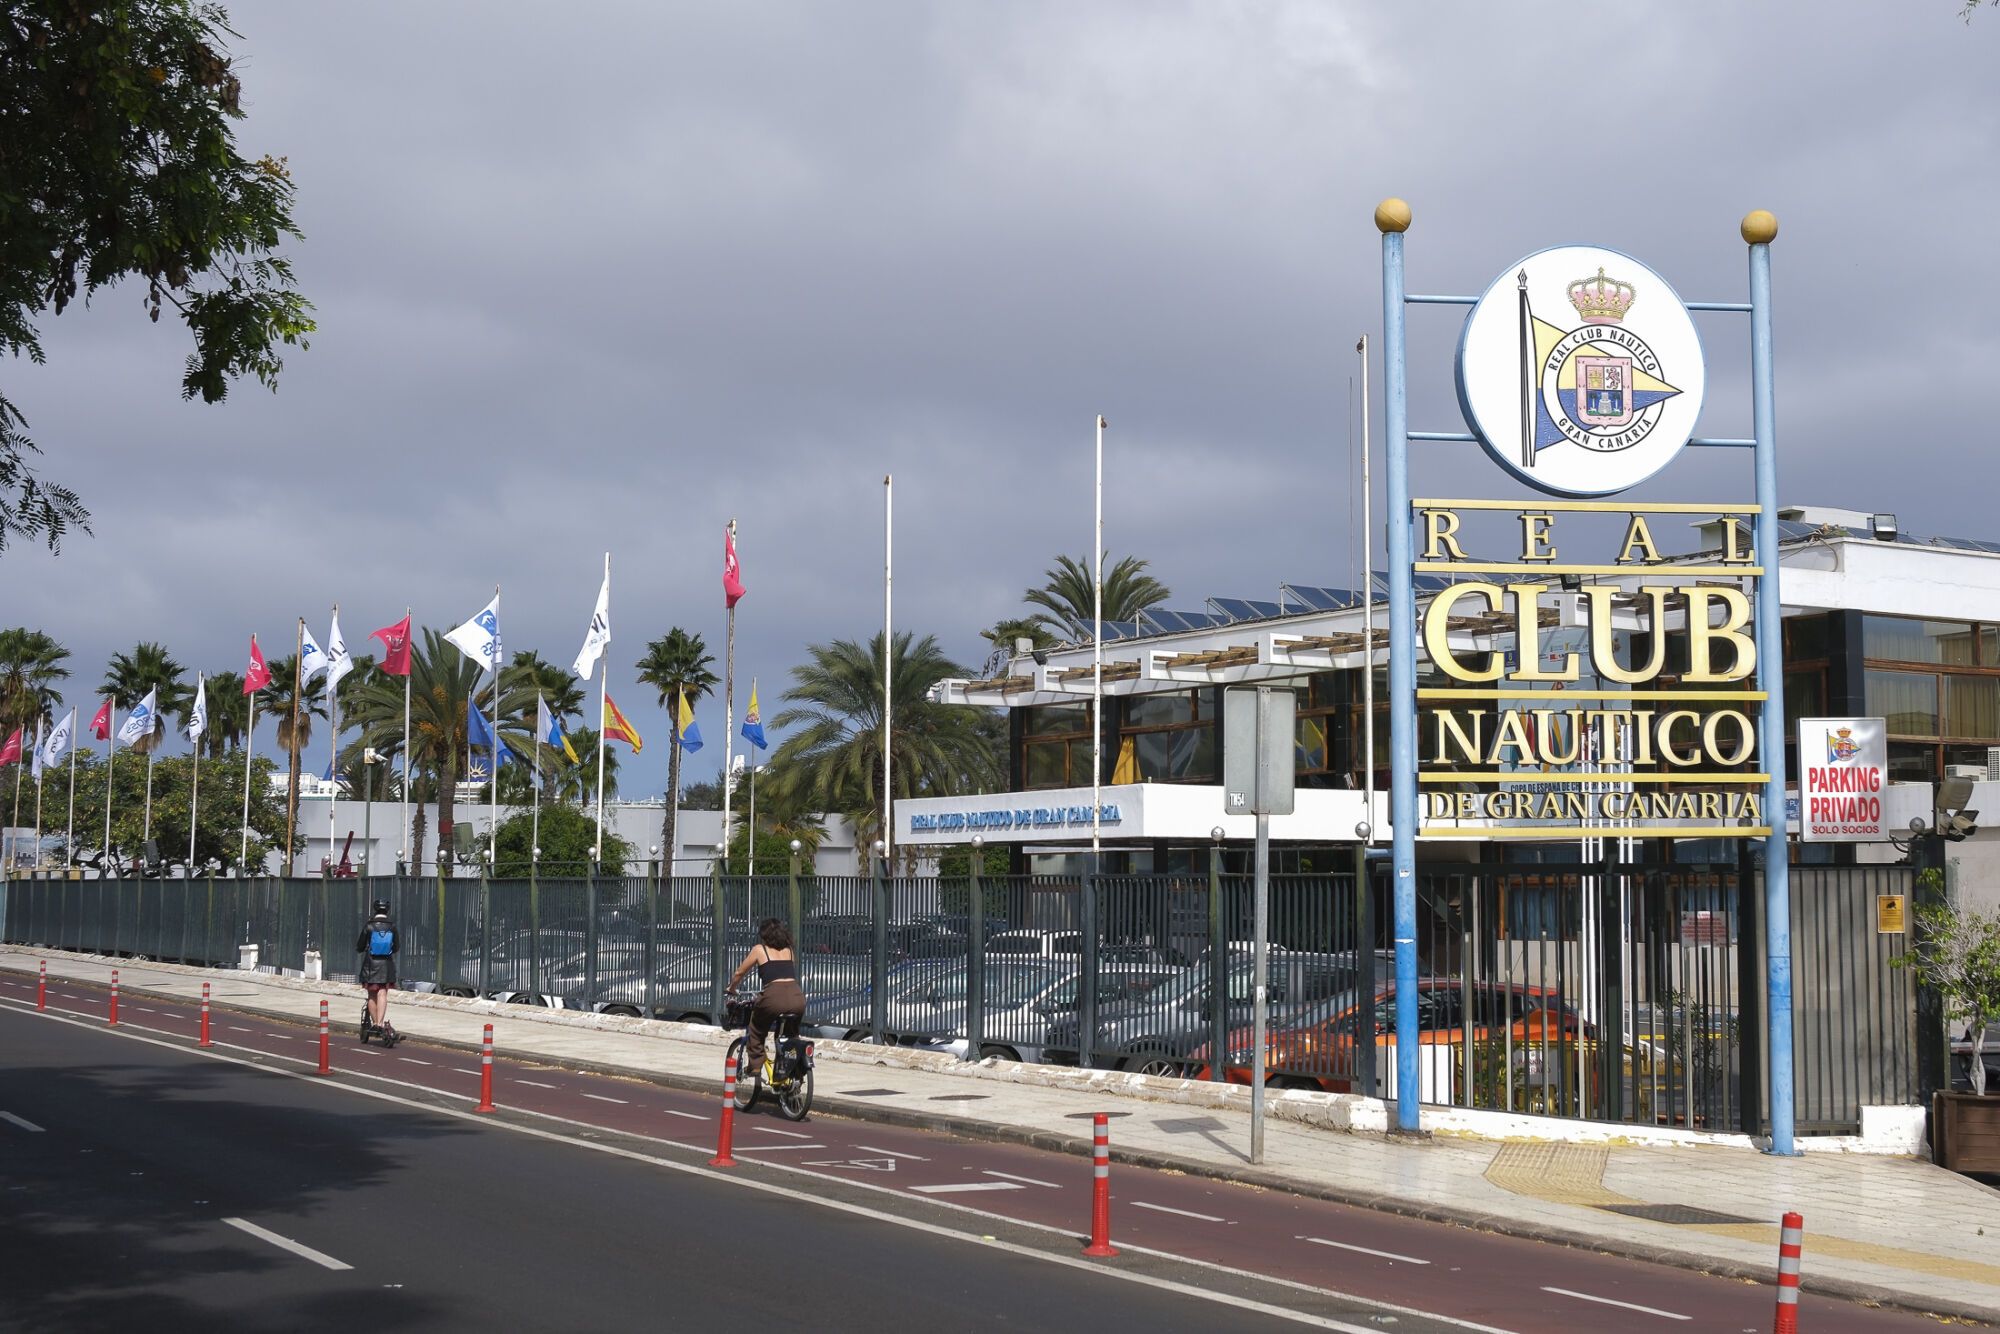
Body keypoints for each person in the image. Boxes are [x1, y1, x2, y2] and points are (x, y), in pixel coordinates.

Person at [727, 917, 806, 1076]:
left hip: (773, 997)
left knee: (756, 1029)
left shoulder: (759, 949)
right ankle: (789, 1069)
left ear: (764, 935)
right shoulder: (789, 950)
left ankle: (755, 1065)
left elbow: (739, 973)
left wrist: (731, 988)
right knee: (789, 1034)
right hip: (797, 997)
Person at [356, 900, 400, 1043]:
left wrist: (363, 948)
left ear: (375, 910)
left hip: (371, 964)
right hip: (386, 965)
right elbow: (397, 947)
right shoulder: (392, 926)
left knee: (371, 994)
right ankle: (381, 1023)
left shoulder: (369, 925)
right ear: (387, 910)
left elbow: (360, 945)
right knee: (382, 993)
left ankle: (374, 1023)